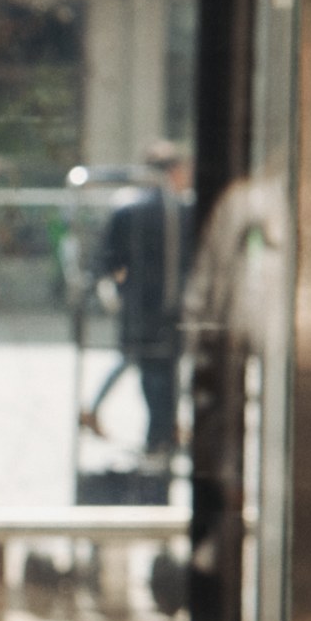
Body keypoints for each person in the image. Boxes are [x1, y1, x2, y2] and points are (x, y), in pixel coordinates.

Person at [82, 139, 191, 458]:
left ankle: (161, 432)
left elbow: (108, 260)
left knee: (147, 367)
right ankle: (161, 433)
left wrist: (117, 291)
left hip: (139, 303)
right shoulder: (178, 209)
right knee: (159, 369)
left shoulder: (131, 207)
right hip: (167, 303)